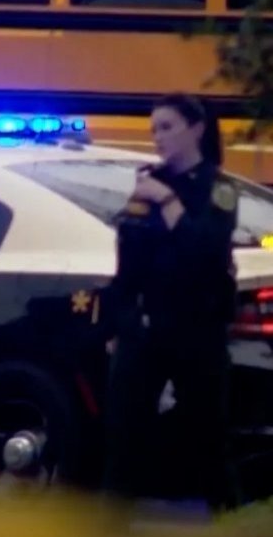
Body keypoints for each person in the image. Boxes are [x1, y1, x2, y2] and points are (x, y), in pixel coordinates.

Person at [100, 92, 240, 513]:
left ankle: (229, 520)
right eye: (153, 129)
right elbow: (128, 258)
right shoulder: (148, 180)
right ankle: (110, 531)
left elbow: (203, 250)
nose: (158, 138)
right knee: (124, 433)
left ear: (196, 129)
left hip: (197, 328)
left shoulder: (219, 188)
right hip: (145, 327)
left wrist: (166, 200)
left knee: (209, 433)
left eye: (167, 127)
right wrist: (118, 324)